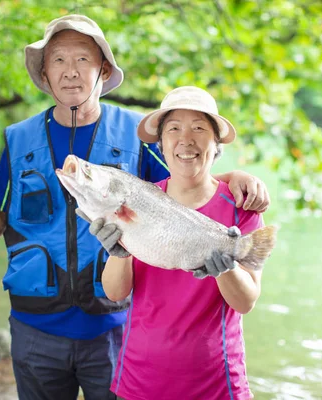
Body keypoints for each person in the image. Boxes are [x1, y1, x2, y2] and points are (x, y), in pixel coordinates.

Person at [0, 15, 270, 400]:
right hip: (35, 327)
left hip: (113, 328)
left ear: (103, 70)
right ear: (45, 74)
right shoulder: (18, 139)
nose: (71, 72)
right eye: (58, 61)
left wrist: (236, 177)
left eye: (82, 60)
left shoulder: (140, 134)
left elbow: (185, 178)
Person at [89, 86, 266, 400]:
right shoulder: (138, 199)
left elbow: (246, 302)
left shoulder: (242, 208)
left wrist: (226, 271)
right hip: (140, 380)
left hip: (217, 383)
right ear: (161, 144)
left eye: (199, 127)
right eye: (174, 129)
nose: (186, 139)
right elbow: (115, 293)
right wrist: (120, 252)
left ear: (216, 144)